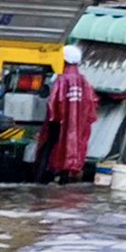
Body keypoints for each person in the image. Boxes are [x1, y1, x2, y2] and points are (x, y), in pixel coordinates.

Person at [42, 42, 100, 181]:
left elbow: (54, 101)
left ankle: (44, 177)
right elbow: (91, 103)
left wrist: (55, 117)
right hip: (78, 124)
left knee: (50, 147)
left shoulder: (61, 79)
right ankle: (64, 178)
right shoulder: (83, 80)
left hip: (58, 122)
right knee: (72, 147)